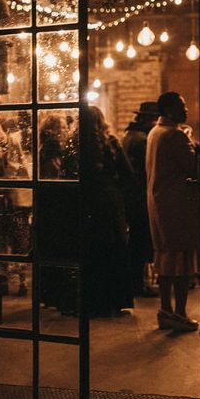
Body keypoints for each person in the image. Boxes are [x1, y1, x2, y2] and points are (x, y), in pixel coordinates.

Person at [145, 92, 200, 332]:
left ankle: (165, 310)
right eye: (182, 105)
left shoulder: (154, 133)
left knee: (166, 260)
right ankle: (179, 313)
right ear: (169, 110)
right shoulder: (175, 135)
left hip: (159, 203)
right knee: (181, 263)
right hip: (178, 205)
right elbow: (195, 168)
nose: (186, 110)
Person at [86, 105, 136, 317]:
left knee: (93, 251)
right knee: (115, 249)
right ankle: (115, 300)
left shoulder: (79, 145)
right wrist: (118, 192)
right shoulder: (112, 143)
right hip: (111, 201)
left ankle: (93, 302)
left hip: (88, 201)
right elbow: (129, 175)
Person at [122, 101, 160, 298]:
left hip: (131, 197)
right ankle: (138, 284)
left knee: (137, 241)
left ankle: (137, 283)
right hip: (139, 199)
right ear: (146, 119)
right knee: (140, 242)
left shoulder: (130, 135)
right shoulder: (142, 140)